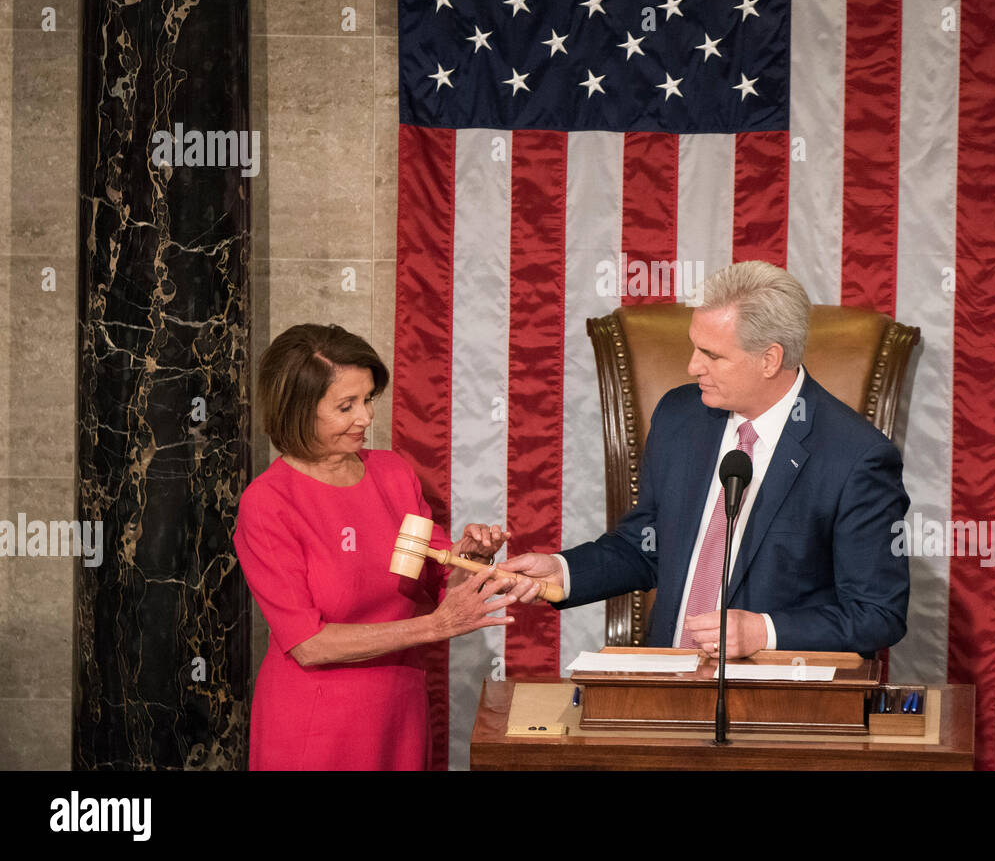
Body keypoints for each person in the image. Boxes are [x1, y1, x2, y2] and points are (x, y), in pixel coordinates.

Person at [502, 261, 910, 658]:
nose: (692, 366)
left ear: (769, 359)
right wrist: (564, 571)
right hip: (666, 687)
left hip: (777, 701)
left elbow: (877, 614)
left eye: (711, 354)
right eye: (694, 347)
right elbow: (647, 545)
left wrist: (763, 632)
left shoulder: (856, 457)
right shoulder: (681, 416)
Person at [234, 323, 535, 770]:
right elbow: (308, 644)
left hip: (400, 711)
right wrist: (435, 627)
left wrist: (469, 558)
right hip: (317, 727)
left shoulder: (393, 473)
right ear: (297, 410)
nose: (367, 417)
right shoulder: (268, 503)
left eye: (368, 398)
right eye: (346, 406)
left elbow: (435, 582)